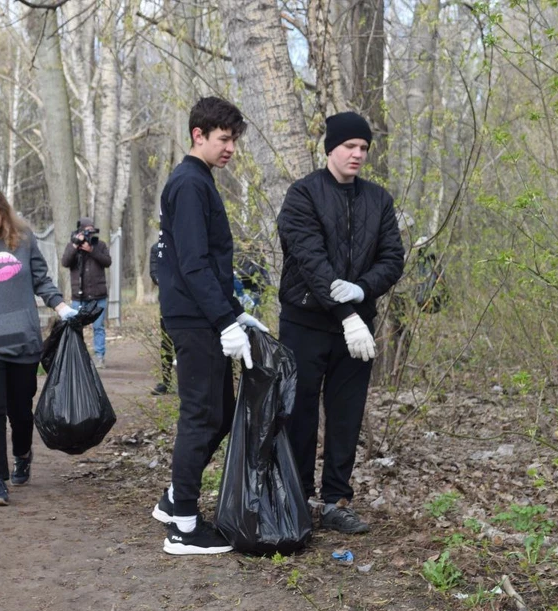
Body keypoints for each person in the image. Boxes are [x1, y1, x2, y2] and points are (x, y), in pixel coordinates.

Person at [276, 111, 405, 534]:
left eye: (364, 147)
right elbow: (311, 261)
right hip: (305, 323)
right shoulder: (302, 195)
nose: (358, 154)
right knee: (299, 414)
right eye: (350, 146)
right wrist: (346, 313)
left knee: (346, 414)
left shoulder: (378, 200)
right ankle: (296, 498)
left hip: (357, 331)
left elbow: (393, 259)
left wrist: (362, 290)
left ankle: (336, 500)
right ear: (330, 147)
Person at [151, 96, 268, 555]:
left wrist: (234, 309)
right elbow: (194, 264)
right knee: (200, 416)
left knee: (219, 414)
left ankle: (173, 499)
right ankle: (183, 526)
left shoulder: (200, 181)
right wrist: (224, 320)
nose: (231, 148)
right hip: (195, 319)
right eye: (224, 139)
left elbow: (207, 264)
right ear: (198, 135)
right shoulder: (188, 184)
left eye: (234, 139)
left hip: (208, 314)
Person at [0, 184, 78, 507]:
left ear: (4, 212)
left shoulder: (23, 241)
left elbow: (41, 279)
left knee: (20, 411)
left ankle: (23, 452)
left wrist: (60, 306)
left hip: (24, 340)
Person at [61, 217, 112, 368]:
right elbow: (65, 262)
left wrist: (92, 250)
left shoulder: (100, 245)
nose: (89, 234)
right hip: (79, 295)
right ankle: (78, 356)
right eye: (86, 231)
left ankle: (99, 357)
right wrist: (75, 246)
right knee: (76, 327)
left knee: (98, 327)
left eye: (91, 230)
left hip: (98, 294)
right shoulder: (73, 246)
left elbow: (107, 262)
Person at [148, 236, 175, 395]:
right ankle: (166, 380)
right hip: (167, 300)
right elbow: (154, 272)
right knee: (167, 342)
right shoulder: (157, 248)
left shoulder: (184, 242)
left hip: (188, 301)